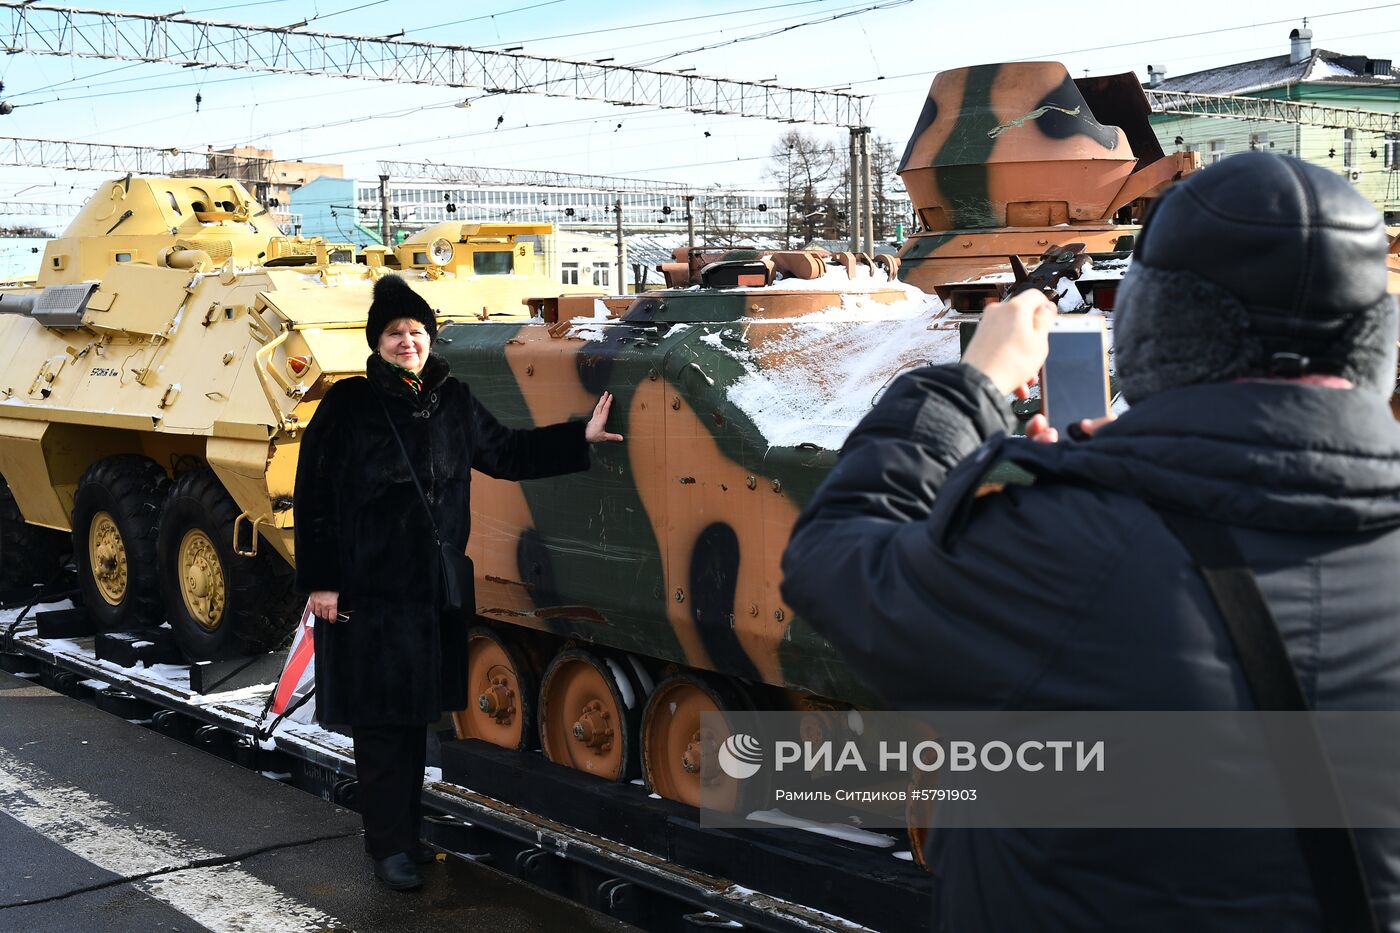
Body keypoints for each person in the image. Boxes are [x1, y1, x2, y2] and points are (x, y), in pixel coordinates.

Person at [780, 150, 1400, 931]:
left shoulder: (1058, 547)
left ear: (1157, 326)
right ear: (1374, 340)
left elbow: (835, 557)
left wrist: (971, 384)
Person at [293, 274, 622, 892]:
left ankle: (407, 836)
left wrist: (580, 435)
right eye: (394, 333)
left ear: (429, 337)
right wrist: (323, 582)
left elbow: (509, 455)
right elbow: (313, 497)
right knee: (380, 722)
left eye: (415, 331)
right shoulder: (349, 405)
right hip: (369, 592)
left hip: (431, 593)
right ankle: (385, 846)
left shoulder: (453, 401)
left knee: (416, 717)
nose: (407, 342)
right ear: (377, 342)